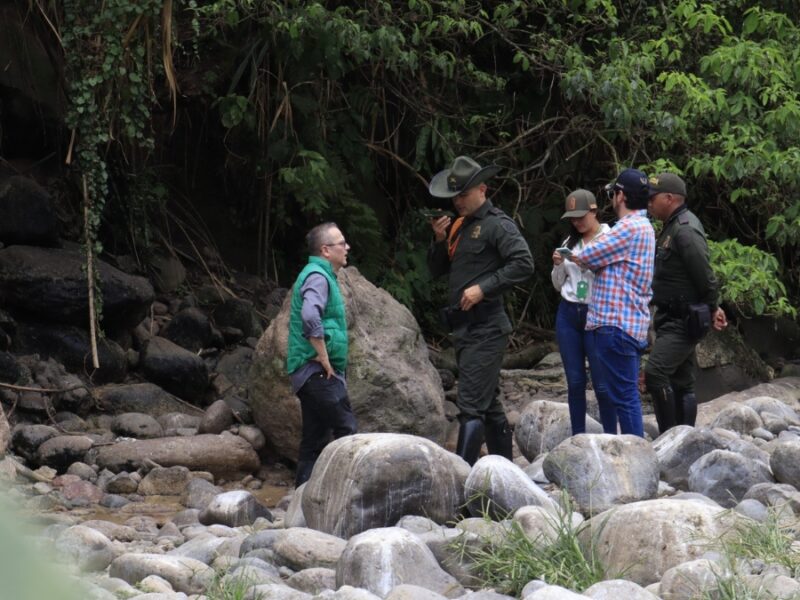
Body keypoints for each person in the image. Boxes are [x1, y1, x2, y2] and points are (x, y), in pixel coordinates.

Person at [426, 155, 534, 465]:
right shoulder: (460, 226)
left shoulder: (498, 224)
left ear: (482, 189)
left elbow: (524, 263)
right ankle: (506, 474)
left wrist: (483, 288)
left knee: (471, 406)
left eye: (463, 194)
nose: (457, 201)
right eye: (454, 195)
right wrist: (439, 239)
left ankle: (462, 484)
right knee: (488, 406)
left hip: (487, 328)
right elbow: (437, 270)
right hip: (464, 328)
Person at [569, 168, 655, 437]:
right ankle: (636, 452)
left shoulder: (628, 228)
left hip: (616, 324)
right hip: (630, 324)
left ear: (621, 196)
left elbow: (587, 255)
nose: (612, 198)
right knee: (626, 394)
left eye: (613, 193)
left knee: (625, 397)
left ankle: (635, 454)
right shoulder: (645, 226)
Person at [644, 173, 728, 434]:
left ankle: (670, 436)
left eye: (652, 198)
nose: (648, 203)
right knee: (682, 380)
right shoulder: (672, 226)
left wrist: (713, 307)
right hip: (671, 316)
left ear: (669, 198)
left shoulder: (685, 229)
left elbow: (705, 275)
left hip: (683, 319)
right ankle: (684, 437)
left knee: (656, 373)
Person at [286, 222, 357, 486]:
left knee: (315, 439)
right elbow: (309, 314)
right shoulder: (317, 276)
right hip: (316, 371)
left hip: (309, 372)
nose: (347, 247)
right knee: (346, 428)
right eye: (342, 243)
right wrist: (324, 357)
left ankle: (301, 501)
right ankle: (345, 492)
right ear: (326, 250)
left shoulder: (321, 274)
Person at [551, 189, 613, 435]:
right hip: (568, 313)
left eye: (581, 216)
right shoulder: (569, 242)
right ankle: (578, 437)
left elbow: (614, 277)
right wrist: (558, 265)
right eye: (572, 218)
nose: (577, 222)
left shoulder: (610, 237)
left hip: (596, 312)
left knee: (602, 384)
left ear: (594, 211)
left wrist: (588, 263)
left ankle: (610, 437)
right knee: (575, 382)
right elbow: (558, 284)